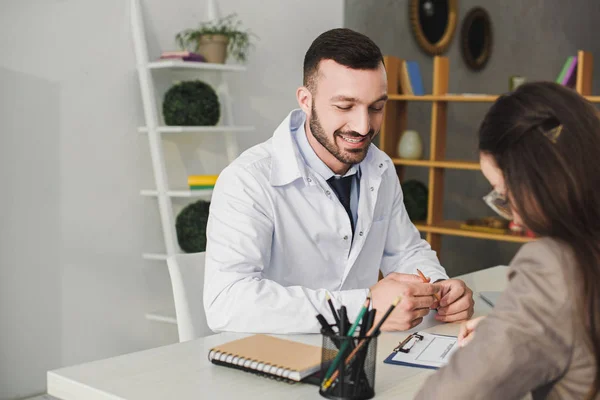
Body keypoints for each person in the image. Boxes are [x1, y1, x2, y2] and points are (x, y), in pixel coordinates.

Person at [203, 28, 474, 334]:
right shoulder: (248, 180)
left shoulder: (380, 168)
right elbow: (226, 303)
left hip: (356, 354)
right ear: (306, 101)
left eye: (376, 107)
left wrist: (438, 289)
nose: (362, 126)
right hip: (275, 357)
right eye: (345, 107)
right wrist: (366, 307)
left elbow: (405, 251)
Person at [416, 82, 600, 400]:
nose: (512, 218)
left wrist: (510, 331)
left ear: (537, 178)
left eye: (504, 194)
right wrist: (512, 324)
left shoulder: (552, 265)